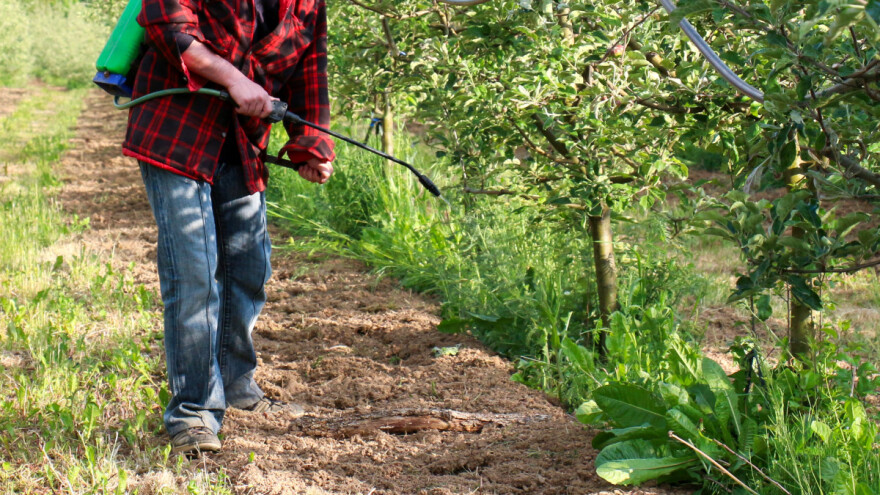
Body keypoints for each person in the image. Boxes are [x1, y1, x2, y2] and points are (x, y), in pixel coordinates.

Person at [122, 0, 335, 455]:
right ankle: (193, 413)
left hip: (242, 142)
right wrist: (236, 80)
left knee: (248, 269)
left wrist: (312, 143)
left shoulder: (308, 5)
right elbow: (170, 29)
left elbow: (311, 69)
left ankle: (236, 387)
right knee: (195, 274)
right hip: (176, 129)